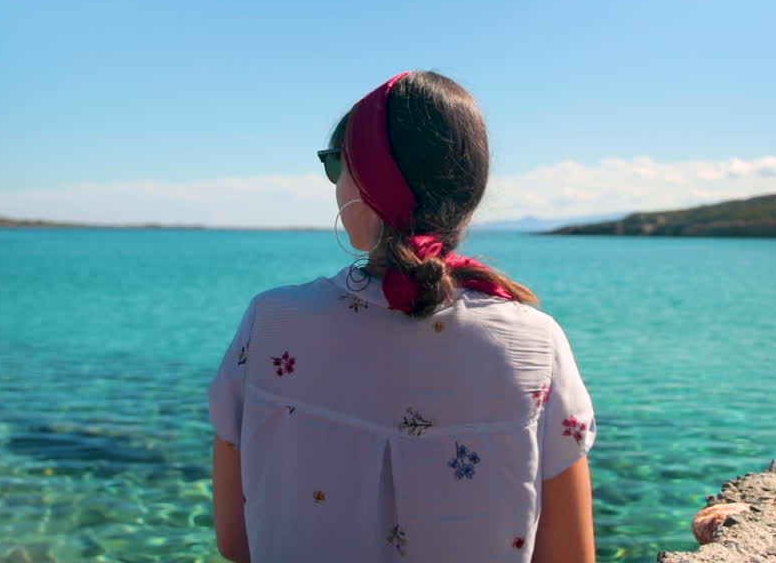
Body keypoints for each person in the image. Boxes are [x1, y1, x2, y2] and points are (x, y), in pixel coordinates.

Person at [208, 71, 597, 562]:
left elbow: (235, 543)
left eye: (335, 165)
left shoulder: (271, 323)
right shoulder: (535, 343)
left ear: (368, 177)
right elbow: (571, 557)